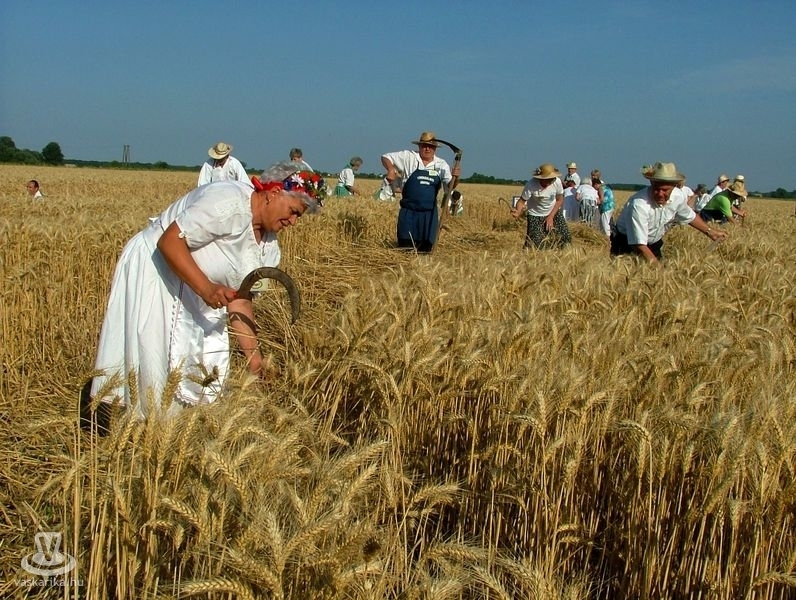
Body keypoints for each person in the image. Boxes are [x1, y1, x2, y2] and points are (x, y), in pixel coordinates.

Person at [89, 162, 325, 419]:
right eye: (293, 211)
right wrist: (206, 289)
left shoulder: (270, 250)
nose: (293, 222)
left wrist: (255, 361)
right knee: (152, 363)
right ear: (274, 192)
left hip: (195, 290)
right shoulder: (228, 202)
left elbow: (241, 301)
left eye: (298, 217)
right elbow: (169, 241)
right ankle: (129, 426)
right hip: (156, 272)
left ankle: (169, 428)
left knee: (193, 368)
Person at [610, 162, 727, 263]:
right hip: (626, 244)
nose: (660, 194)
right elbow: (638, 244)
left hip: (653, 244)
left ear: (674, 186)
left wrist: (711, 232)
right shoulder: (639, 205)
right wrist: (659, 270)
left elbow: (689, 216)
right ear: (651, 183)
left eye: (665, 190)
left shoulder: (678, 196)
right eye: (656, 189)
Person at [381, 131, 460, 252]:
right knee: (405, 248)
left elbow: (449, 187)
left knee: (425, 249)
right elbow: (385, 157)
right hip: (408, 212)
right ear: (419, 146)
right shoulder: (408, 157)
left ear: (435, 149)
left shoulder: (441, 164)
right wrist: (391, 170)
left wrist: (456, 177)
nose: (427, 149)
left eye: (430, 146)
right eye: (424, 146)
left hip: (429, 215)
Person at [510, 163, 571, 249]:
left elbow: (559, 200)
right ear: (540, 178)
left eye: (551, 180)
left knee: (565, 237)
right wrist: (518, 211)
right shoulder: (531, 185)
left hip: (553, 212)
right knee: (536, 244)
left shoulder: (557, 182)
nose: (549, 182)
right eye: (547, 180)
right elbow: (521, 201)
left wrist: (550, 217)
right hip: (535, 215)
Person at [592, 169, 615, 237]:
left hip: (606, 207)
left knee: (605, 223)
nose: (594, 188)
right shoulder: (605, 186)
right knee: (606, 222)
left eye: (594, 186)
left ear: (596, 184)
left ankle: (608, 238)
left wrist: (595, 201)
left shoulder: (600, 188)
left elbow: (601, 199)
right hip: (611, 206)